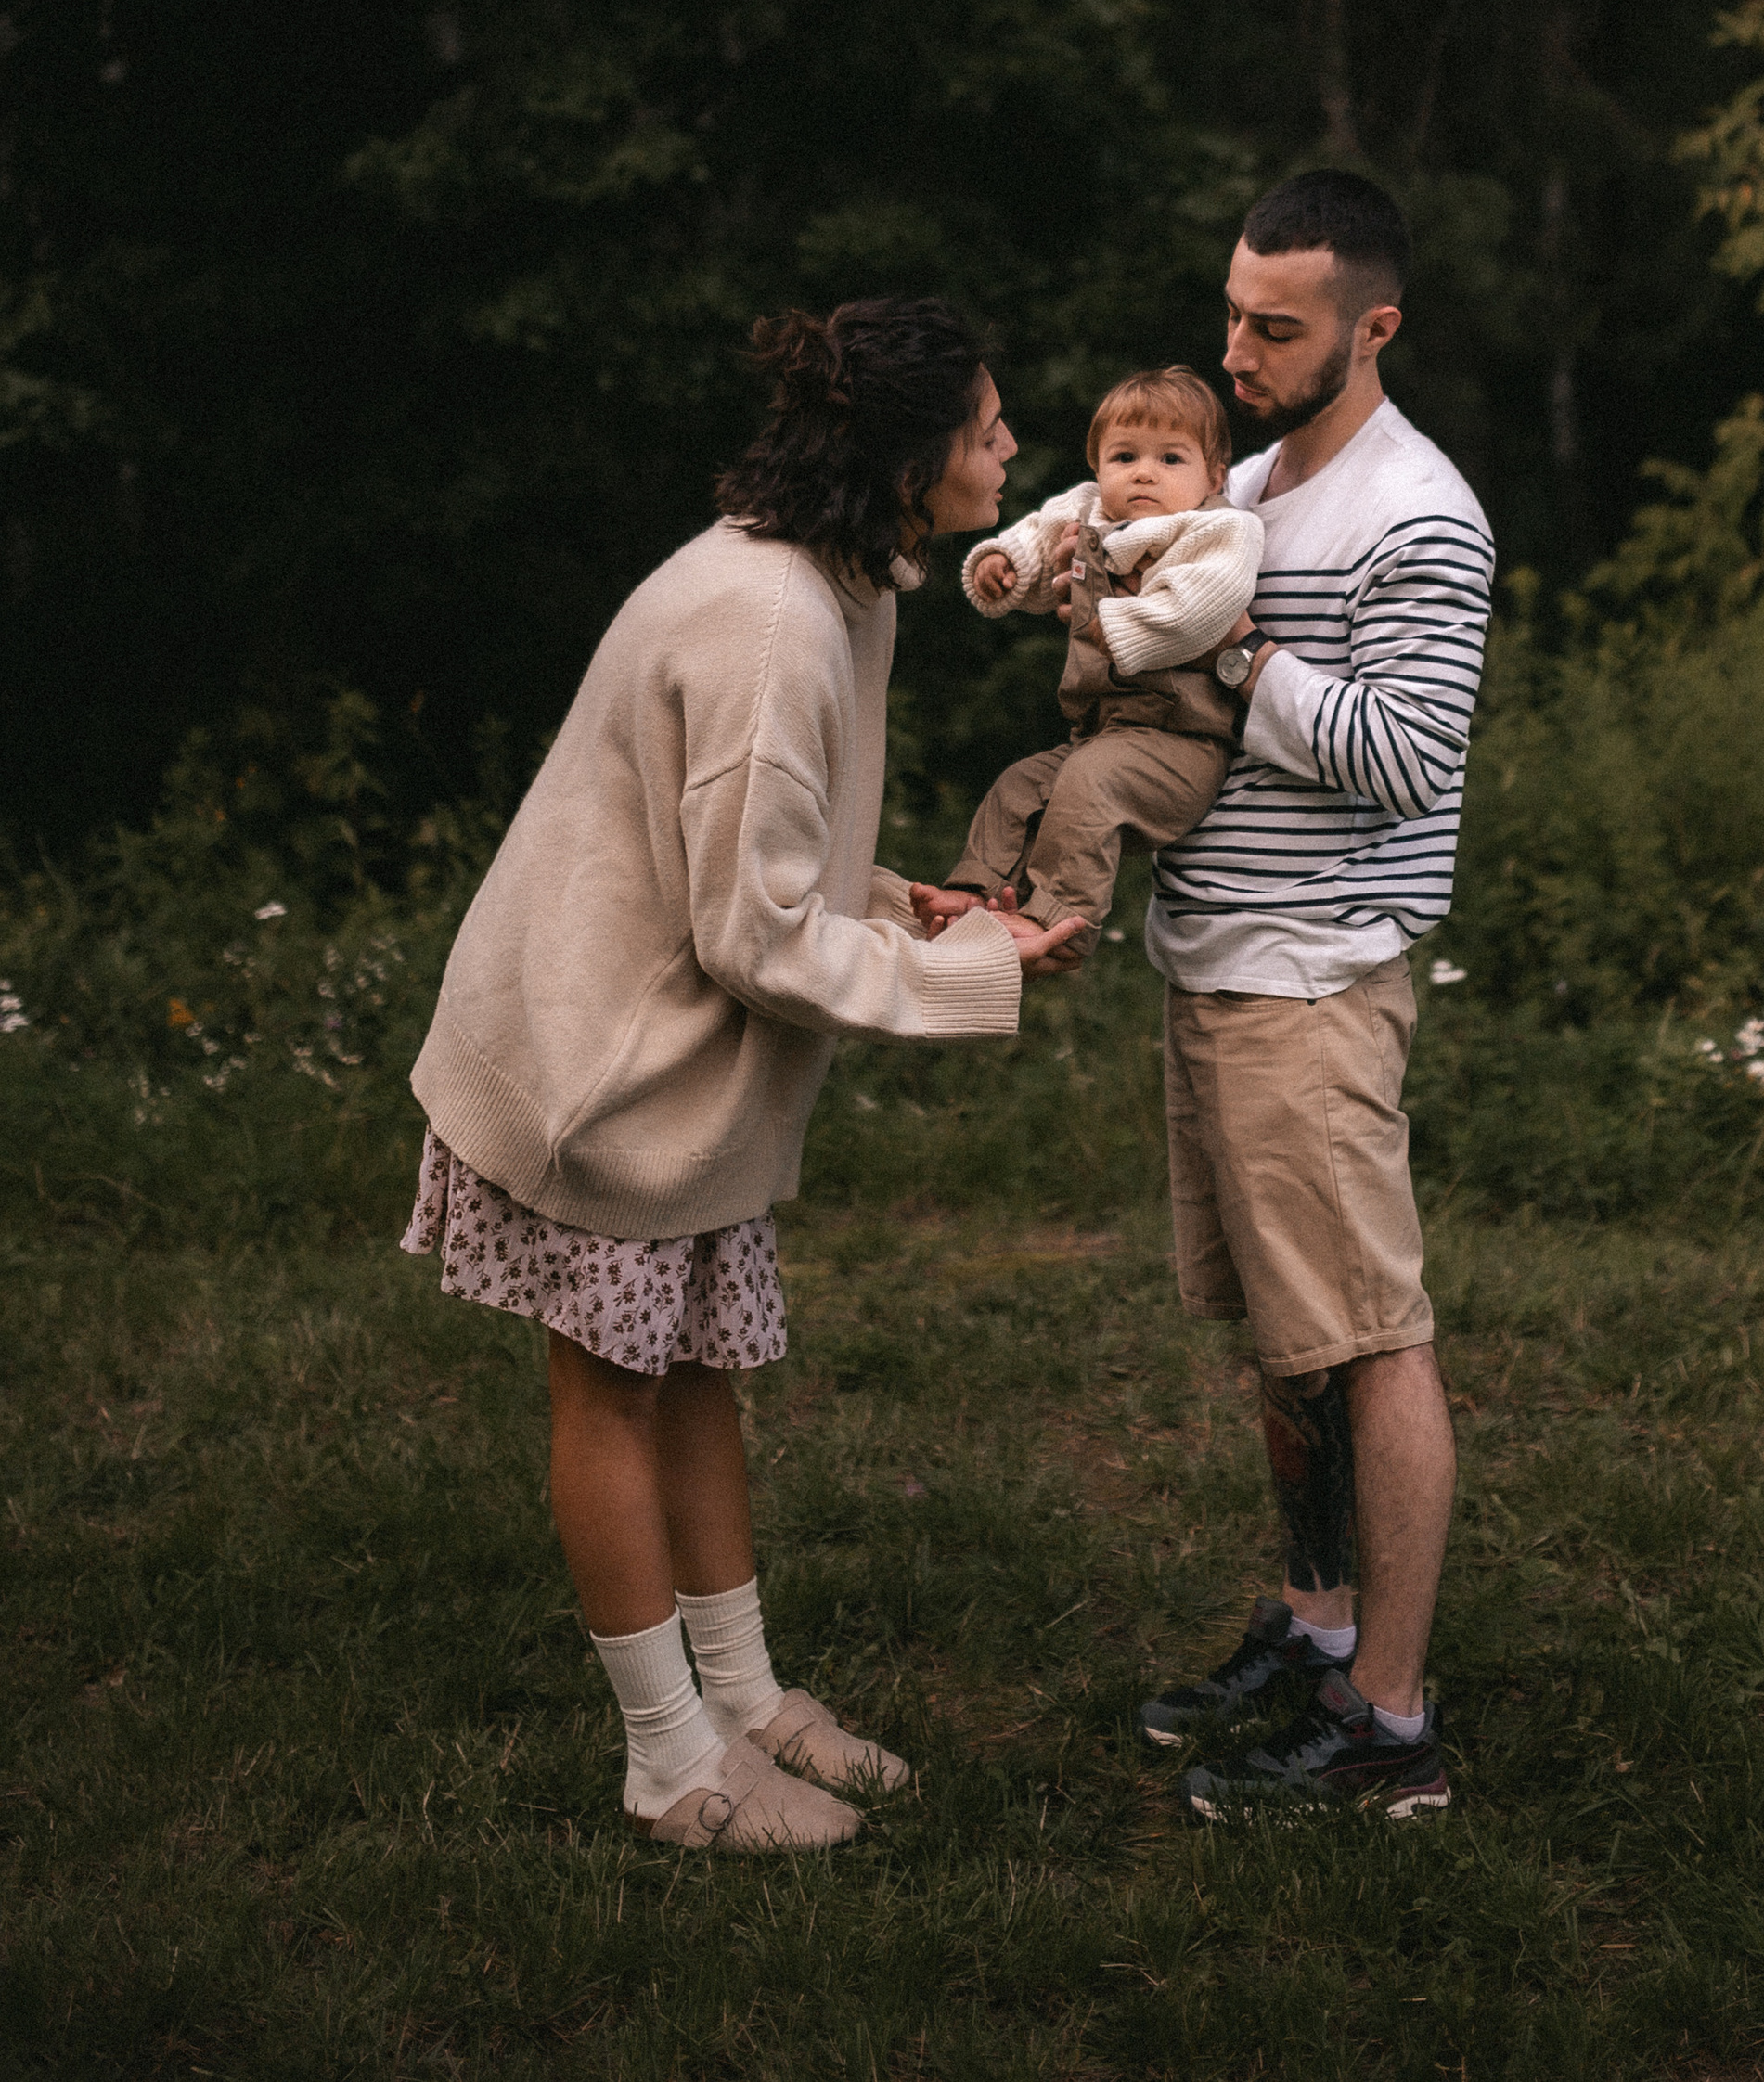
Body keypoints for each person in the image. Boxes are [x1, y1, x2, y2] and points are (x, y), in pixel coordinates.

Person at [402, 298, 1088, 1855]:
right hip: (607, 1071)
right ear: (914, 459)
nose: (1011, 448)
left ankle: (750, 1701)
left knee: (697, 1369)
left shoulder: (848, 582)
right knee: (617, 1388)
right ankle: (670, 1763)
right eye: (988, 427)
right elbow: (751, 930)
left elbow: (773, 857)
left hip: (681, 1068)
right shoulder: (770, 618)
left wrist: (911, 900)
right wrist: (974, 970)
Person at [1129, 172, 1494, 1822]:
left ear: (1375, 324)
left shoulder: (1421, 512)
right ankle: (1320, 1618)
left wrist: (1235, 657)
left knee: (1371, 1338)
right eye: (1233, 313)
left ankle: (1392, 1722)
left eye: (1276, 326)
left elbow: (1411, 757)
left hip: (1313, 983)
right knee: (1290, 1342)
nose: (1238, 348)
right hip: (1209, 965)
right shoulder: (1249, 480)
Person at [927, 365, 1264, 940]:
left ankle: (1059, 919)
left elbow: (1200, 611)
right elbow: (1038, 540)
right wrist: (1005, 567)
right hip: (1101, 734)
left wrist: (1110, 619)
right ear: (1097, 465)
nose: (1144, 475)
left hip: (1182, 744)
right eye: (1124, 457)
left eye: (1170, 460)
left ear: (1215, 475)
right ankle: (973, 889)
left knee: (1090, 782)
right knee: (1019, 785)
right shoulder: (1088, 513)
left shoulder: (1220, 530)